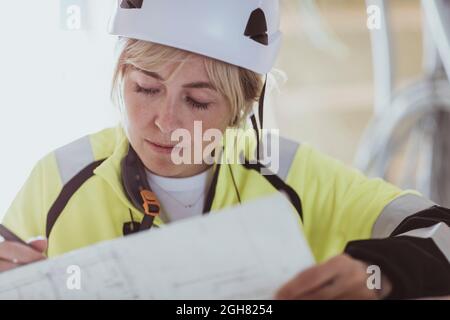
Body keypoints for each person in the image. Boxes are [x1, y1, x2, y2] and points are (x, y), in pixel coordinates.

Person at [1, 0, 449, 300]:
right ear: (121, 77)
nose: (165, 122)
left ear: (242, 106)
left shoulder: (291, 174)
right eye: (145, 88)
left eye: (197, 100)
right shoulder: (61, 177)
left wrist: (379, 273)